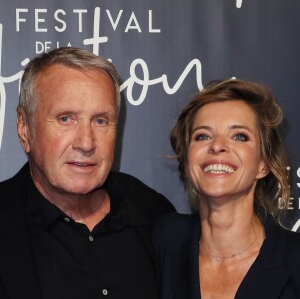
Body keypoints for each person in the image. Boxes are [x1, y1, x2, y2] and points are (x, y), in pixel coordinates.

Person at [0, 47, 174, 299]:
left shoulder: (153, 214)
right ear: (24, 128)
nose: (86, 143)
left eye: (100, 121)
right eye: (65, 119)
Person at [153, 79, 300, 299]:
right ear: (186, 160)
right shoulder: (164, 240)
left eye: (239, 136)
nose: (217, 145)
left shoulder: (294, 258)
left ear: (263, 164)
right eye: (202, 136)